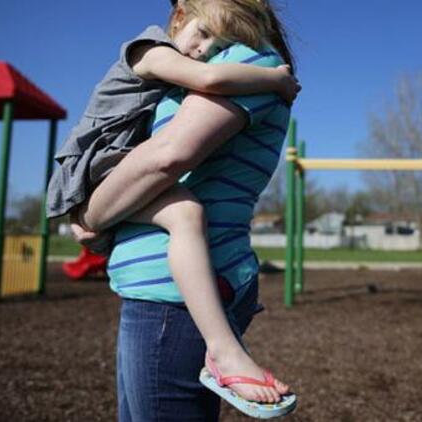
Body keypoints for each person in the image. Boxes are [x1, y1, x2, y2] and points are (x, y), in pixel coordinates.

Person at [68, 0, 298, 419]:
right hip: (160, 291)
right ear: (178, 18)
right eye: (202, 35)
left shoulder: (245, 55)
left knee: (184, 212)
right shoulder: (155, 52)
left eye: (213, 39)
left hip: (174, 299)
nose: (203, 50)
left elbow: (167, 155)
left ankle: (224, 352)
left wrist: (92, 215)